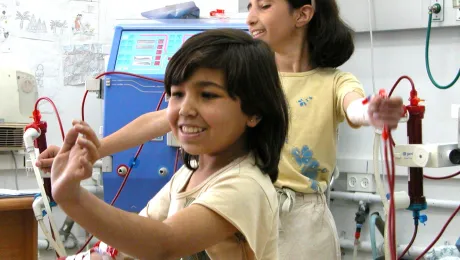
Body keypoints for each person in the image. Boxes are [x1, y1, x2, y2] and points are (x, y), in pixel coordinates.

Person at [39, 1, 405, 259]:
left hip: (297, 215)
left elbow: (353, 107)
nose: (251, 16)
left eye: (264, 6)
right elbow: (162, 120)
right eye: (249, 6)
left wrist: (370, 110)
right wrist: (95, 151)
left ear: (303, 13)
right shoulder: (197, 166)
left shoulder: (328, 81)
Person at [51, 28, 289, 260]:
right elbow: (137, 236)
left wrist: (73, 198)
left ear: (254, 112)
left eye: (208, 95)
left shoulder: (245, 185)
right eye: (177, 94)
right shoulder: (188, 175)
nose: (185, 109)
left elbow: (163, 243)